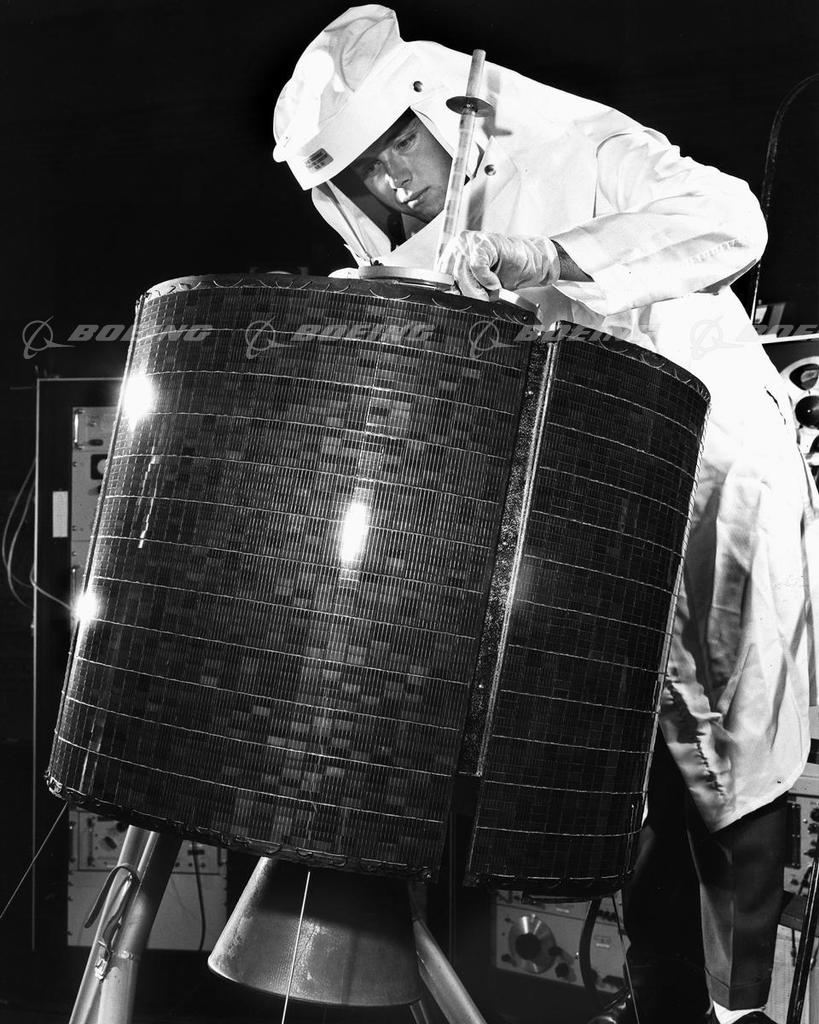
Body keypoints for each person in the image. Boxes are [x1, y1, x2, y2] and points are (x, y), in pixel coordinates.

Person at [272, 7, 819, 1024]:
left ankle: (740, 1008)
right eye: (361, 176)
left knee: (733, 751)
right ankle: (662, 997)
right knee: (625, 760)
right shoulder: (412, 245)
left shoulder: (583, 150)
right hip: (589, 505)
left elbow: (732, 219)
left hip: (713, 478)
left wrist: (549, 256)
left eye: (397, 149)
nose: (391, 184)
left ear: (440, 108)